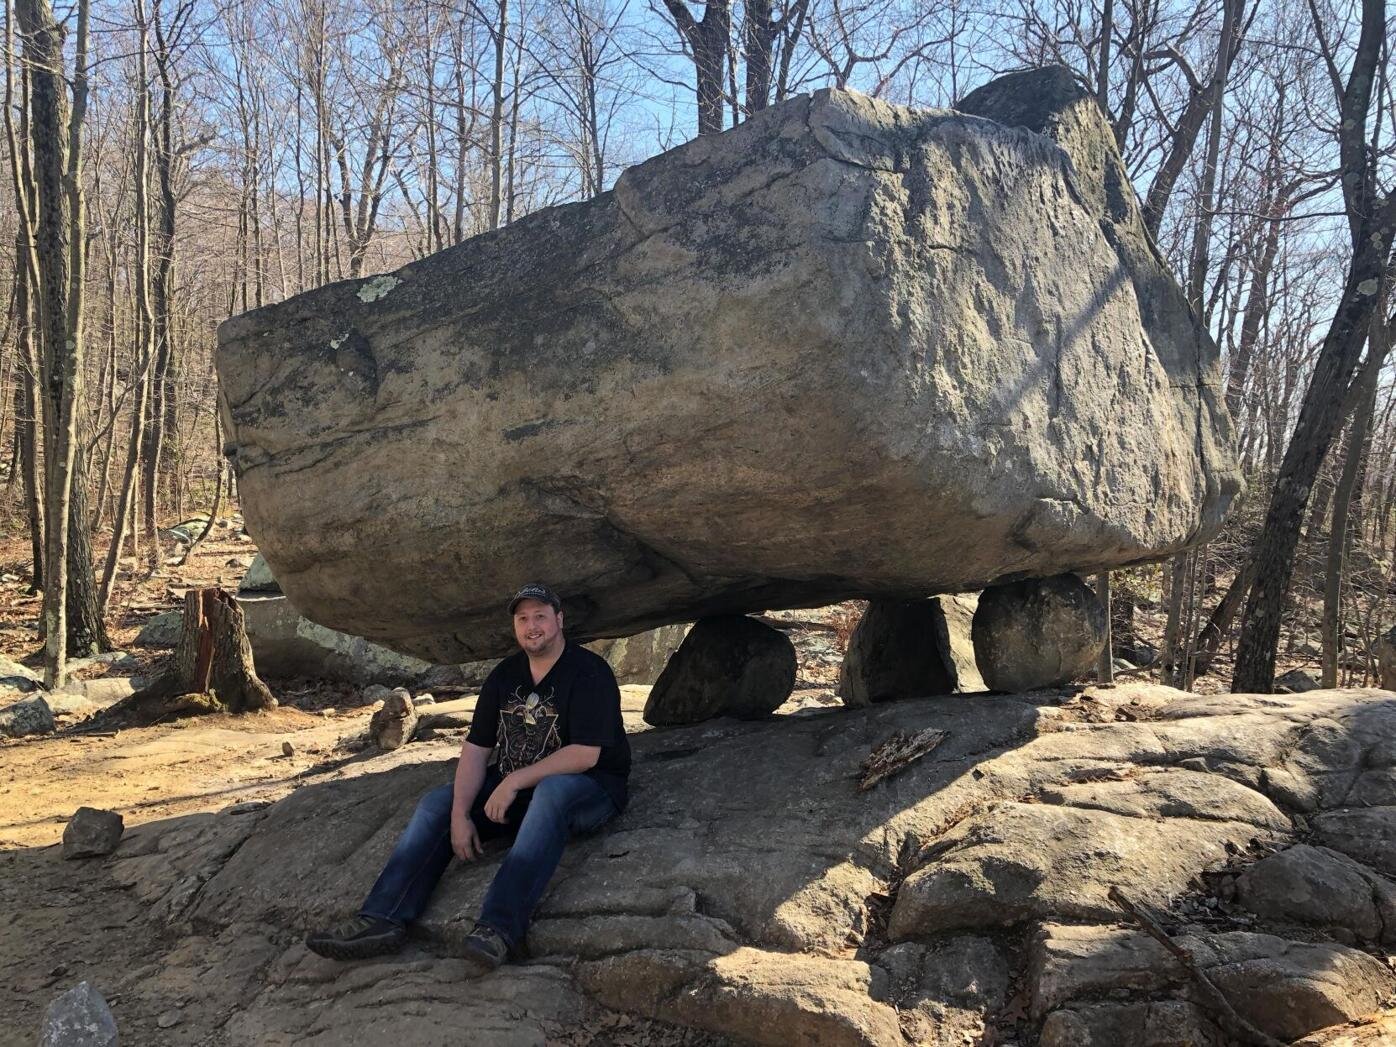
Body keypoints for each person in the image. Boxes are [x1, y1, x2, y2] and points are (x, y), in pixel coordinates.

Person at [306, 583, 630, 976]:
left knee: (552, 792)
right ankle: (382, 918)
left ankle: (498, 928)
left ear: (559, 620)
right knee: (437, 804)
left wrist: (512, 782)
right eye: (523, 619)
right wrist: (460, 816)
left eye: (540, 617)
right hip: (521, 787)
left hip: (588, 788)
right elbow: (476, 750)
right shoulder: (505, 676)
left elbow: (585, 754)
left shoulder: (589, 672)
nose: (532, 627)